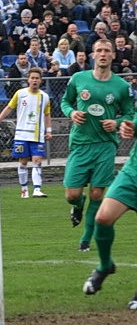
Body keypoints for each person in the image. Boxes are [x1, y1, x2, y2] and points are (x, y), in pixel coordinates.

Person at [60, 38, 134, 252]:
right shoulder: (78, 78)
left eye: (106, 51)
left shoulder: (121, 86)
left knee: (97, 194)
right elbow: (65, 102)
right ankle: (77, 206)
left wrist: (117, 122)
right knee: (72, 195)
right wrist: (72, 113)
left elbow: (130, 113)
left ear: (113, 55)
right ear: (93, 55)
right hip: (81, 143)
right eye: (99, 50)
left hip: (105, 145)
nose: (102, 54)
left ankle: (85, 239)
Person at [82, 113, 137, 299]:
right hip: (133, 173)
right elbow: (133, 124)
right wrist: (128, 127)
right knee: (103, 217)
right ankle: (105, 265)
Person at [0, 67, 52, 198]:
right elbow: (9, 108)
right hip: (22, 134)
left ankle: (37, 189)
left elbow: (47, 114)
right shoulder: (20, 94)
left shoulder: (45, 97)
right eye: (32, 78)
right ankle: (24, 188)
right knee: (23, 162)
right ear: (28, 79)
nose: (34, 80)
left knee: (37, 160)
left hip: (37, 134)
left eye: (37, 78)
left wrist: (48, 130)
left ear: (41, 81)